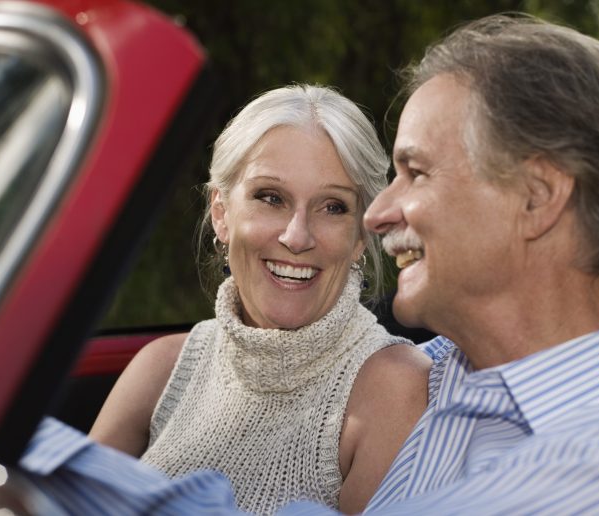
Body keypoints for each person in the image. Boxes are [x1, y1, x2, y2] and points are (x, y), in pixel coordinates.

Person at [12, 12, 599, 515]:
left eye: (414, 172)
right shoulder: (447, 372)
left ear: (538, 198)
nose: (377, 213)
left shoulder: (595, 469)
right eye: (270, 197)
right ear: (219, 212)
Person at [87, 84, 430, 514]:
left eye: (333, 207)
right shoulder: (162, 368)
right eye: (271, 198)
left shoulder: (394, 389)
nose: (297, 236)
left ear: (361, 236)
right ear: (221, 213)